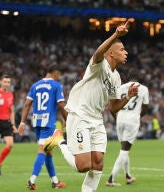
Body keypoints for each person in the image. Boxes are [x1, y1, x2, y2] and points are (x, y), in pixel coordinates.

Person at [43, 19, 139, 192]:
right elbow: (98, 52)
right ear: (111, 53)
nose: (126, 52)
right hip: (80, 115)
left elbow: (114, 108)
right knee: (83, 166)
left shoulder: (116, 77)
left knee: (98, 164)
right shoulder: (99, 65)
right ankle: (59, 140)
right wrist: (116, 34)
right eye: (122, 49)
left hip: (96, 120)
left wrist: (128, 97)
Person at [18, 64, 68, 190]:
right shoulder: (56, 86)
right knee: (42, 151)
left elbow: (27, 104)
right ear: (55, 73)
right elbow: (61, 105)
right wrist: (67, 119)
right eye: (58, 75)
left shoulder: (35, 85)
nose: (59, 77)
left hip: (37, 123)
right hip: (48, 123)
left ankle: (55, 181)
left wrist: (22, 122)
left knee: (48, 152)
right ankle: (31, 181)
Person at [105, 69, 149, 187]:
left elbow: (112, 107)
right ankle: (111, 179)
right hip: (132, 120)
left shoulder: (121, 88)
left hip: (120, 119)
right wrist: (137, 116)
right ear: (139, 76)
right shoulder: (144, 89)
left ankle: (128, 176)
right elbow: (145, 108)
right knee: (124, 151)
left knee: (123, 149)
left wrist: (116, 118)